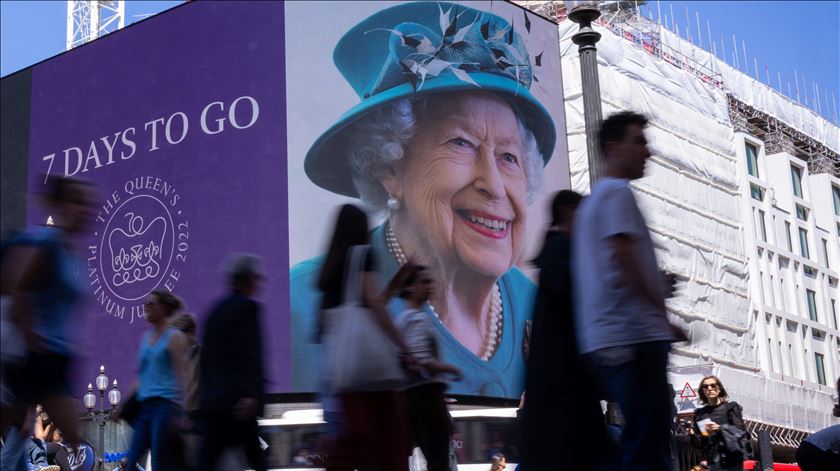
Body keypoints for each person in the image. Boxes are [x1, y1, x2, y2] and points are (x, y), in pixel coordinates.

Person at [290, 0, 559, 397]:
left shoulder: (537, 305)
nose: (496, 186)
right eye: (461, 143)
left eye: (509, 156)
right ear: (389, 168)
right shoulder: (299, 303)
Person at [573, 111, 685, 471]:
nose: (647, 151)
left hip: (609, 339)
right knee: (648, 447)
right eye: (638, 142)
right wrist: (659, 314)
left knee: (641, 442)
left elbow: (613, 267)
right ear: (613, 147)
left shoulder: (593, 204)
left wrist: (655, 284)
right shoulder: (618, 193)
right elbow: (623, 258)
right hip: (634, 338)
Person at [2, 176, 97, 469]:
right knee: (77, 443)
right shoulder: (46, 242)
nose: (85, 209)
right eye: (77, 201)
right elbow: (18, 290)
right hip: (30, 360)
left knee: (79, 445)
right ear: (59, 204)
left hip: (53, 362)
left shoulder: (72, 253)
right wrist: (34, 343)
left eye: (88, 204)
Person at [318, 204, 417, 471]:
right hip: (373, 372)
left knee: (353, 439)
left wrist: (398, 279)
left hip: (346, 371)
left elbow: (368, 302)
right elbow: (375, 303)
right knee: (389, 439)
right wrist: (403, 345)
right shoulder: (365, 254)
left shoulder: (333, 269)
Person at [521, 190, 610, 471]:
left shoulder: (555, 251)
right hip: (567, 386)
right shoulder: (563, 250)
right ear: (570, 213)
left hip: (562, 387)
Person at [198, 254, 267, 471]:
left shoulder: (214, 311)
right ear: (248, 279)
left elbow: (206, 359)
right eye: (256, 278)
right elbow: (251, 354)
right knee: (256, 458)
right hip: (238, 403)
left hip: (214, 402)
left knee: (207, 461)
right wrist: (252, 394)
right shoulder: (248, 308)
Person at [397, 266, 462, 471]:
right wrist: (451, 369)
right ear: (410, 288)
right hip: (427, 398)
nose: (429, 286)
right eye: (424, 282)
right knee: (439, 461)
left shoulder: (402, 321)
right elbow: (421, 360)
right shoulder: (416, 319)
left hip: (413, 399)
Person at [122, 290, 188, 471]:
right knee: (132, 458)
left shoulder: (174, 337)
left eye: (151, 304)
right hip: (144, 408)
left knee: (159, 459)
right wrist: (123, 405)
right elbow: (141, 376)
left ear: (163, 308)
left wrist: (181, 411)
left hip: (164, 407)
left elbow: (181, 375)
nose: (146, 307)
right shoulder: (146, 338)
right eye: (145, 304)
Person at [691, 376, 747, 471]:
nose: (709, 388)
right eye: (706, 387)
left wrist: (720, 428)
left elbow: (741, 433)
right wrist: (693, 435)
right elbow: (701, 445)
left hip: (732, 460)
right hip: (713, 461)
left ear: (719, 389)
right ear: (703, 391)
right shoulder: (700, 414)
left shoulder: (730, 408)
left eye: (713, 385)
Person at [169, 312, 201, 469]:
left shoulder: (200, 355)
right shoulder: (172, 359)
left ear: (189, 334)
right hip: (175, 426)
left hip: (194, 423)